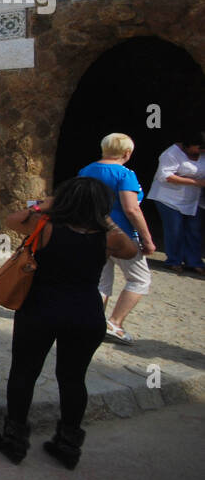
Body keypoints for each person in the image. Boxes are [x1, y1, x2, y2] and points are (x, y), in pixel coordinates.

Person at [0, 179, 140, 468]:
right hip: (86, 314)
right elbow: (130, 250)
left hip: (40, 310)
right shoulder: (107, 237)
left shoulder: (45, 226)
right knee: (73, 379)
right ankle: (68, 445)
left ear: (64, 200)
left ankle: (15, 441)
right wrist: (105, 218)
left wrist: (41, 205)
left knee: (24, 372)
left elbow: (11, 220)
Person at [78, 133, 156, 344]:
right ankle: (114, 322)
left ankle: (91, 321)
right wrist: (147, 239)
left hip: (93, 232)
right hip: (121, 236)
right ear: (127, 152)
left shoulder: (86, 171)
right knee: (139, 279)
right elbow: (131, 209)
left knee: (101, 281)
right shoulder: (125, 175)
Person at [146, 130, 205, 274]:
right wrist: (195, 182)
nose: (202, 151)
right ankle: (174, 260)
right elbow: (165, 175)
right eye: (200, 148)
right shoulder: (171, 153)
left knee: (194, 230)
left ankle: (194, 261)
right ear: (190, 145)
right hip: (169, 198)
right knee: (175, 229)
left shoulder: (202, 154)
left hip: (194, 199)